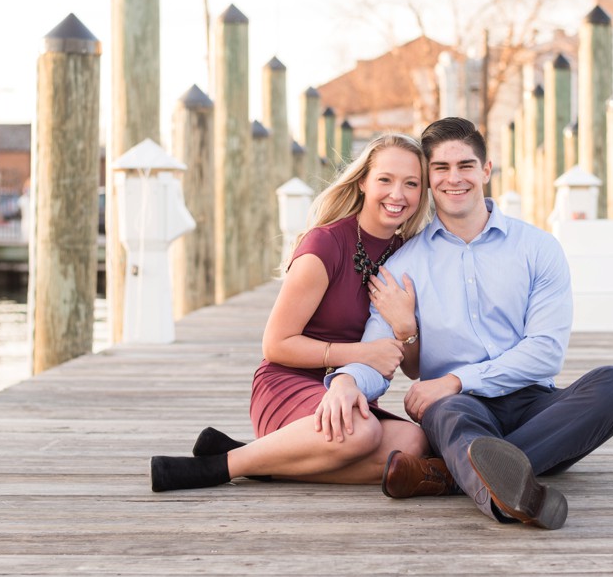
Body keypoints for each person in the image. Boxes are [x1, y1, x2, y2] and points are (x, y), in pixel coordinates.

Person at [325, 117, 613, 530]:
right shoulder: (402, 266)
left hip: (533, 404)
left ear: (486, 170)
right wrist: (346, 380)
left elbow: (545, 352)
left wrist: (455, 379)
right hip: (458, 411)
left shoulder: (538, 249)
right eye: (441, 168)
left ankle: (446, 476)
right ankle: (508, 492)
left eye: (466, 166)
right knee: (449, 415)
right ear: (429, 178)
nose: (455, 179)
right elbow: (378, 352)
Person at [150, 133, 439, 492]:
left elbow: (410, 367)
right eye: (385, 179)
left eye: (411, 184)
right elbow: (275, 345)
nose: (398, 194)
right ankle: (221, 466)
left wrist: (404, 327)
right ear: (363, 181)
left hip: (353, 397)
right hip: (288, 385)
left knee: (412, 444)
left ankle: (262, 460)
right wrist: (359, 354)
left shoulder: (410, 257)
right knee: (362, 431)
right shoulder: (325, 244)